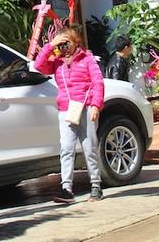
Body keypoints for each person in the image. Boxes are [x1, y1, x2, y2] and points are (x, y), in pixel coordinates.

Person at [34, 27, 104, 203]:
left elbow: (98, 82)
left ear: (76, 43)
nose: (64, 47)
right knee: (66, 149)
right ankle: (66, 189)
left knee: (89, 147)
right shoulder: (57, 62)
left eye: (67, 43)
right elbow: (38, 65)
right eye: (62, 43)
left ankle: (96, 185)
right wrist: (51, 45)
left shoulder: (87, 59)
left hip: (86, 107)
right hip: (66, 109)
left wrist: (96, 105)